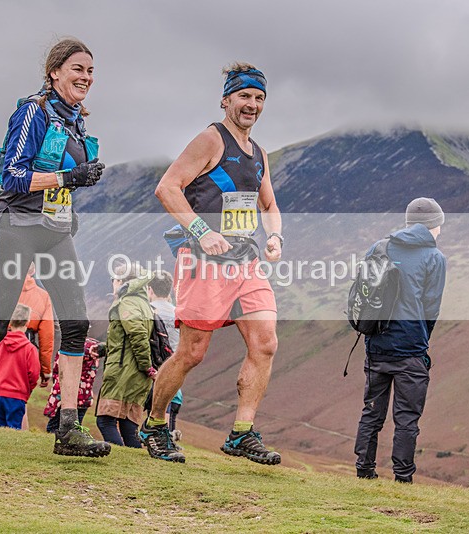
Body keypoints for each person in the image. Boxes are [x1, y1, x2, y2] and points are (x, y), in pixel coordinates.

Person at [0, 37, 111, 458]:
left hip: (54, 231)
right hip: (16, 226)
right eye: (78, 69)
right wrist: (69, 178)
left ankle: (68, 428)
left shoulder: (75, 122)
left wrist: (71, 197)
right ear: (54, 72)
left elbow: (58, 181)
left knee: (76, 323)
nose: (86, 77)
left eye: (90, 71)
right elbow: (12, 177)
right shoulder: (33, 112)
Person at [143, 63, 283, 464]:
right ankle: (154, 424)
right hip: (203, 261)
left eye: (259, 98)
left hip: (245, 261)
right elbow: (167, 187)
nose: (252, 105)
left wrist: (275, 237)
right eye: (244, 96)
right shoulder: (210, 140)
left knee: (265, 343)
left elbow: (269, 205)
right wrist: (203, 230)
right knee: (191, 353)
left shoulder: (259, 153)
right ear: (226, 100)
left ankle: (241, 433)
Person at [354, 197, 447, 483]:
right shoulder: (434, 258)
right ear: (433, 226)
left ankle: (364, 471)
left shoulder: (378, 247)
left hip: (376, 344)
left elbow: (363, 293)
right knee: (407, 417)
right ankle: (403, 478)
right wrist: (421, 338)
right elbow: (431, 308)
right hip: (411, 349)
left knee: (371, 411)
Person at [0, 264, 55, 427]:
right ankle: (18, 438)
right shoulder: (43, 296)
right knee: (20, 403)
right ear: (33, 270)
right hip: (25, 345)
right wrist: (45, 369)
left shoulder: (3, 290)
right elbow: (47, 336)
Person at [95, 264, 156, 448]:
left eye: (113, 280)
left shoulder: (127, 302)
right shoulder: (144, 304)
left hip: (124, 371)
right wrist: (104, 349)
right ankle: (133, 460)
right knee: (128, 425)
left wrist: (146, 366)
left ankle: (116, 460)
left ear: (121, 281)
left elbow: (137, 333)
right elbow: (127, 339)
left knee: (105, 420)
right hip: (136, 374)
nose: (112, 283)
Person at [0, 304, 40, 429]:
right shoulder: (30, 349)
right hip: (17, 395)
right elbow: (34, 374)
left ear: (10, 322)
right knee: (14, 429)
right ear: (27, 323)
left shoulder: (0, 344)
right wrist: (27, 389)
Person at [147, 271, 183, 439]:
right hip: (175, 369)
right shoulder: (178, 313)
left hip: (152, 369)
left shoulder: (148, 311)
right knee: (170, 407)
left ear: (150, 289)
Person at [44, 337, 102, 433]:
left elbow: (57, 371)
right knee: (76, 427)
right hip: (84, 397)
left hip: (65, 396)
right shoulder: (94, 352)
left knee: (54, 427)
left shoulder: (70, 348)